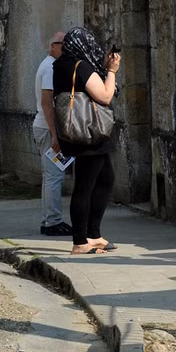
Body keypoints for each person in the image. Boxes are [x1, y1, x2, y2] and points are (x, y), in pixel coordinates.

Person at [53, 26, 121, 255]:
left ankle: (93, 234)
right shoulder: (81, 67)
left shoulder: (61, 65)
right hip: (89, 132)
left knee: (105, 179)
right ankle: (81, 240)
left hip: (76, 130)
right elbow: (105, 96)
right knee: (85, 185)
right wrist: (111, 71)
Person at [35, 31, 72, 236]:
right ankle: (52, 222)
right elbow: (46, 102)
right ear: (52, 46)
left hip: (45, 127)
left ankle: (50, 219)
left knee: (50, 175)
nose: (65, 48)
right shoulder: (50, 67)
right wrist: (55, 134)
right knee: (54, 176)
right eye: (61, 44)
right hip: (48, 128)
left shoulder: (48, 65)